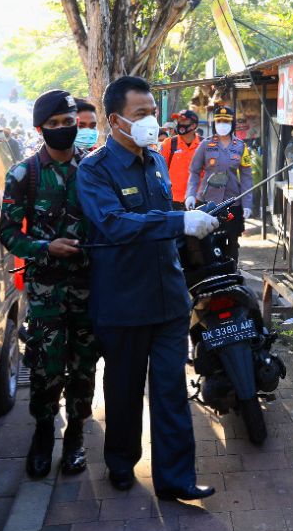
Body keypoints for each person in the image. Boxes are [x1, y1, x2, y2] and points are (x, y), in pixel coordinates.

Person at [77, 75, 221, 501]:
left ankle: (176, 478)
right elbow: (114, 224)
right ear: (115, 119)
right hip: (122, 304)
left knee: (171, 391)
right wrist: (179, 222)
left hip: (169, 299)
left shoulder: (157, 162)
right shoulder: (94, 170)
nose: (150, 122)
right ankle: (121, 462)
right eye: (141, 114)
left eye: (153, 113)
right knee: (122, 391)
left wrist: (196, 219)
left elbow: (167, 223)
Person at [0, 90, 98, 479]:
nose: (63, 130)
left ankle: (74, 437)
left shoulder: (92, 170)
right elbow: (8, 233)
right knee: (44, 369)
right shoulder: (24, 175)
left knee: (84, 367)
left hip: (88, 289)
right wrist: (46, 247)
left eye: (68, 122)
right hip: (45, 294)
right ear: (40, 130)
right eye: (53, 125)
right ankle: (43, 435)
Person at [185, 104, 251, 260]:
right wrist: (190, 195)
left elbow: (247, 176)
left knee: (232, 241)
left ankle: (232, 271)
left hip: (232, 204)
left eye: (226, 121)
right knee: (208, 241)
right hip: (208, 201)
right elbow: (194, 171)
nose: (222, 124)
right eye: (219, 121)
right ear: (214, 123)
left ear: (232, 124)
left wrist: (247, 203)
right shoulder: (205, 145)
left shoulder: (241, 146)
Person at [159, 107, 202, 210]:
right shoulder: (169, 144)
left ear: (193, 125)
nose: (180, 123)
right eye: (178, 120)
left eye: (184, 121)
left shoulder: (203, 145)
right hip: (174, 203)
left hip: (199, 202)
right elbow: (158, 171)